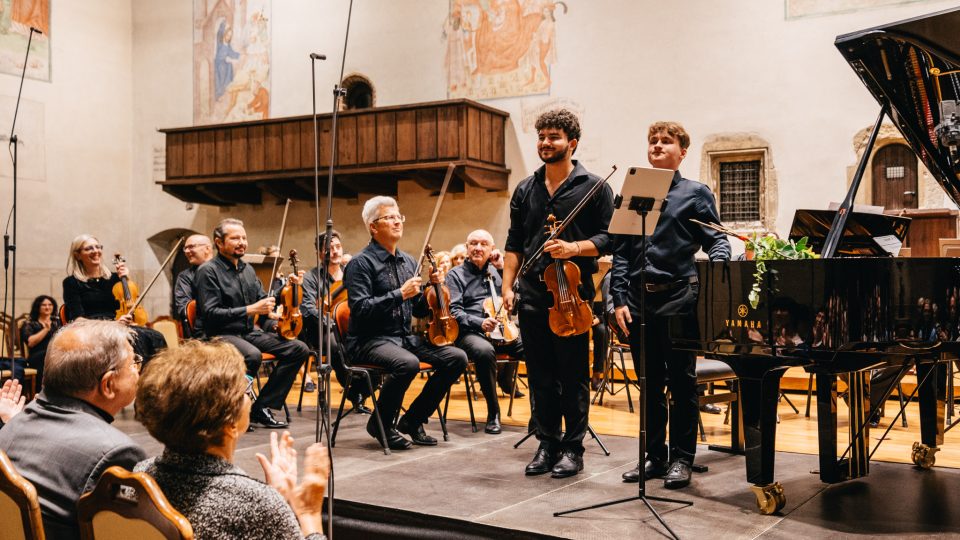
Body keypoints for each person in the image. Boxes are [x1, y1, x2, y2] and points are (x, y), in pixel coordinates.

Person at [612, 121, 731, 489]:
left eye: (666, 141)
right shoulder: (630, 194)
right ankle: (653, 456)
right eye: (652, 141)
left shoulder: (695, 193)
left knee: (681, 384)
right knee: (648, 384)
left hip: (679, 296)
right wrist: (617, 299)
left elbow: (716, 240)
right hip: (637, 300)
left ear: (682, 152)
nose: (657, 146)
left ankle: (682, 458)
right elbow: (620, 253)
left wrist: (721, 262)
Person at [502, 109, 614, 478]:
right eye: (542, 137)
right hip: (534, 295)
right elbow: (515, 243)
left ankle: (573, 448)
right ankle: (547, 443)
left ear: (572, 143)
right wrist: (506, 285)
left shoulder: (595, 187)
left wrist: (573, 248)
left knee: (573, 376)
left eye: (554, 137)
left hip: (573, 300)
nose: (546, 143)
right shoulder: (525, 188)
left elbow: (609, 239)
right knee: (541, 377)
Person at [135, 341, 329, 540]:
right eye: (245, 390)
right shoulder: (255, 504)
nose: (250, 396)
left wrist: (271, 496)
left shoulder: (141, 475)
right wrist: (309, 514)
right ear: (230, 424)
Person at [0, 320, 147, 538]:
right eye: (133, 362)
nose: (138, 368)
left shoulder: (11, 427)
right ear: (107, 385)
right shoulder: (115, 452)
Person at [344, 196, 468, 450]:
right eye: (389, 217)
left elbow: (418, 310)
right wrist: (399, 294)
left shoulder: (409, 262)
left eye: (398, 216)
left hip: (401, 338)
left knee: (457, 358)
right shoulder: (360, 264)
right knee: (407, 363)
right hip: (369, 340)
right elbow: (360, 309)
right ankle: (380, 423)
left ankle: (412, 420)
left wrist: (434, 286)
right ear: (373, 226)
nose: (397, 221)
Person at [196, 218, 311, 429]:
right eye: (235, 238)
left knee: (298, 349)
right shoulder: (208, 271)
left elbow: (265, 298)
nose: (241, 242)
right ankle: (235, 410)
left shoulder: (247, 269)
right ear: (219, 243)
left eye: (244, 237)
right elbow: (211, 313)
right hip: (217, 334)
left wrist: (289, 286)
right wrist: (251, 309)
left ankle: (261, 407)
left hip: (246, 332)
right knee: (252, 355)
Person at [447, 229, 524, 435]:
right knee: (484, 351)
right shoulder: (455, 275)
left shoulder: (497, 272)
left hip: (503, 330)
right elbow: (454, 311)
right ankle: (493, 413)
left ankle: (539, 414)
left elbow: (515, 301)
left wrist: (501, 269)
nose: (478, 248)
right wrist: (479, 322)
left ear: (492, 249)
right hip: (470, 331)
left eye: (483, 244)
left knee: (534, 347)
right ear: (467, 247)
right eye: (473, 243)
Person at [62, 234, 168, 362]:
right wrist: (112, 324)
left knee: (155, 336)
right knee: (134, 339)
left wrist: (126, 279)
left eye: (98, 247)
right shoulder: (71, 282)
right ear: (77, 255)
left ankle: (156, 377)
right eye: (89, 248)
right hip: (93, 329)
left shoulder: (114, 278)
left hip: (118, 324)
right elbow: (78, 319)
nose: (96, 251)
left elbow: (127, 305)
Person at [301, 230, 377, 408]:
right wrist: (331, 322)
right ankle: (352, 391)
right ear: (320, 253)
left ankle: (364, 388)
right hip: (322, 330)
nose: (335, 251)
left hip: (351, 326)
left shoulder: (351, 272)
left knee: (376, 341)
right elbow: (308, 308)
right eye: (329, 249)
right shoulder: (312, 278)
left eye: (338, 247)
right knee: (335, 345)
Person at [172, 234, 214, 337]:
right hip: (203, 331)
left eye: (191, 247)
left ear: (207, 248)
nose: (186, 251)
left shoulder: (223, 270)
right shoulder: (185, 277)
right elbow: (185, 308)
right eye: (185, 248)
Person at [20, 295, 60, 389]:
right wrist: (45, 329)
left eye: (50, 305)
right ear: (38, 307)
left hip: (56, 354)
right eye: (44, 305)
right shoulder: (30, 324)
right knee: (47, 354)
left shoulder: (57, 322)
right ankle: (42, 392)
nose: (47, 307)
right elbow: (30, 342)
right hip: (37, 356)